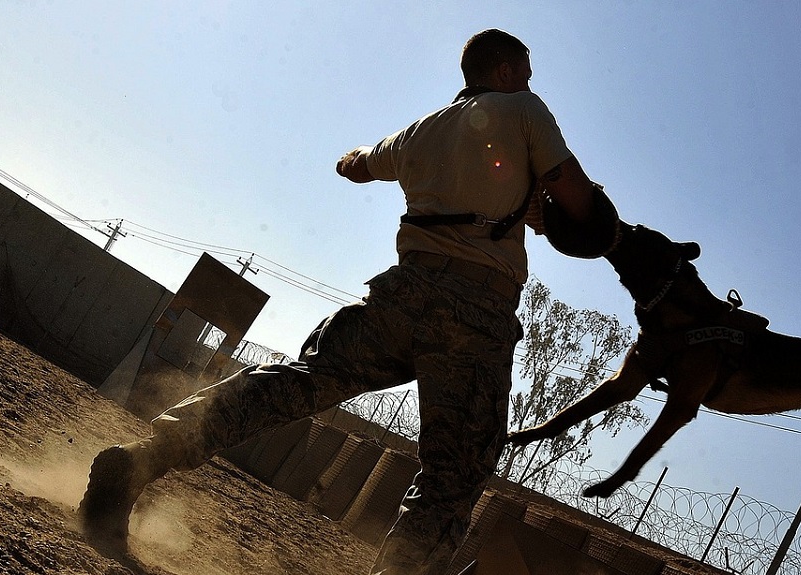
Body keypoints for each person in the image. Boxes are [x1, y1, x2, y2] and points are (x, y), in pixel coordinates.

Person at [77, 29, 612, 575]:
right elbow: (573, 193)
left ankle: (140, 462)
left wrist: (354, 158)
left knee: (301, 380)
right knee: (455, 474)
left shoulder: (420, 133)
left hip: (401, 296)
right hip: (473, 315)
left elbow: (356, 166)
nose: (527, 81)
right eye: (523, 71)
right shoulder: (524, 108)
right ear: (503, 72)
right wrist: (604, 231)